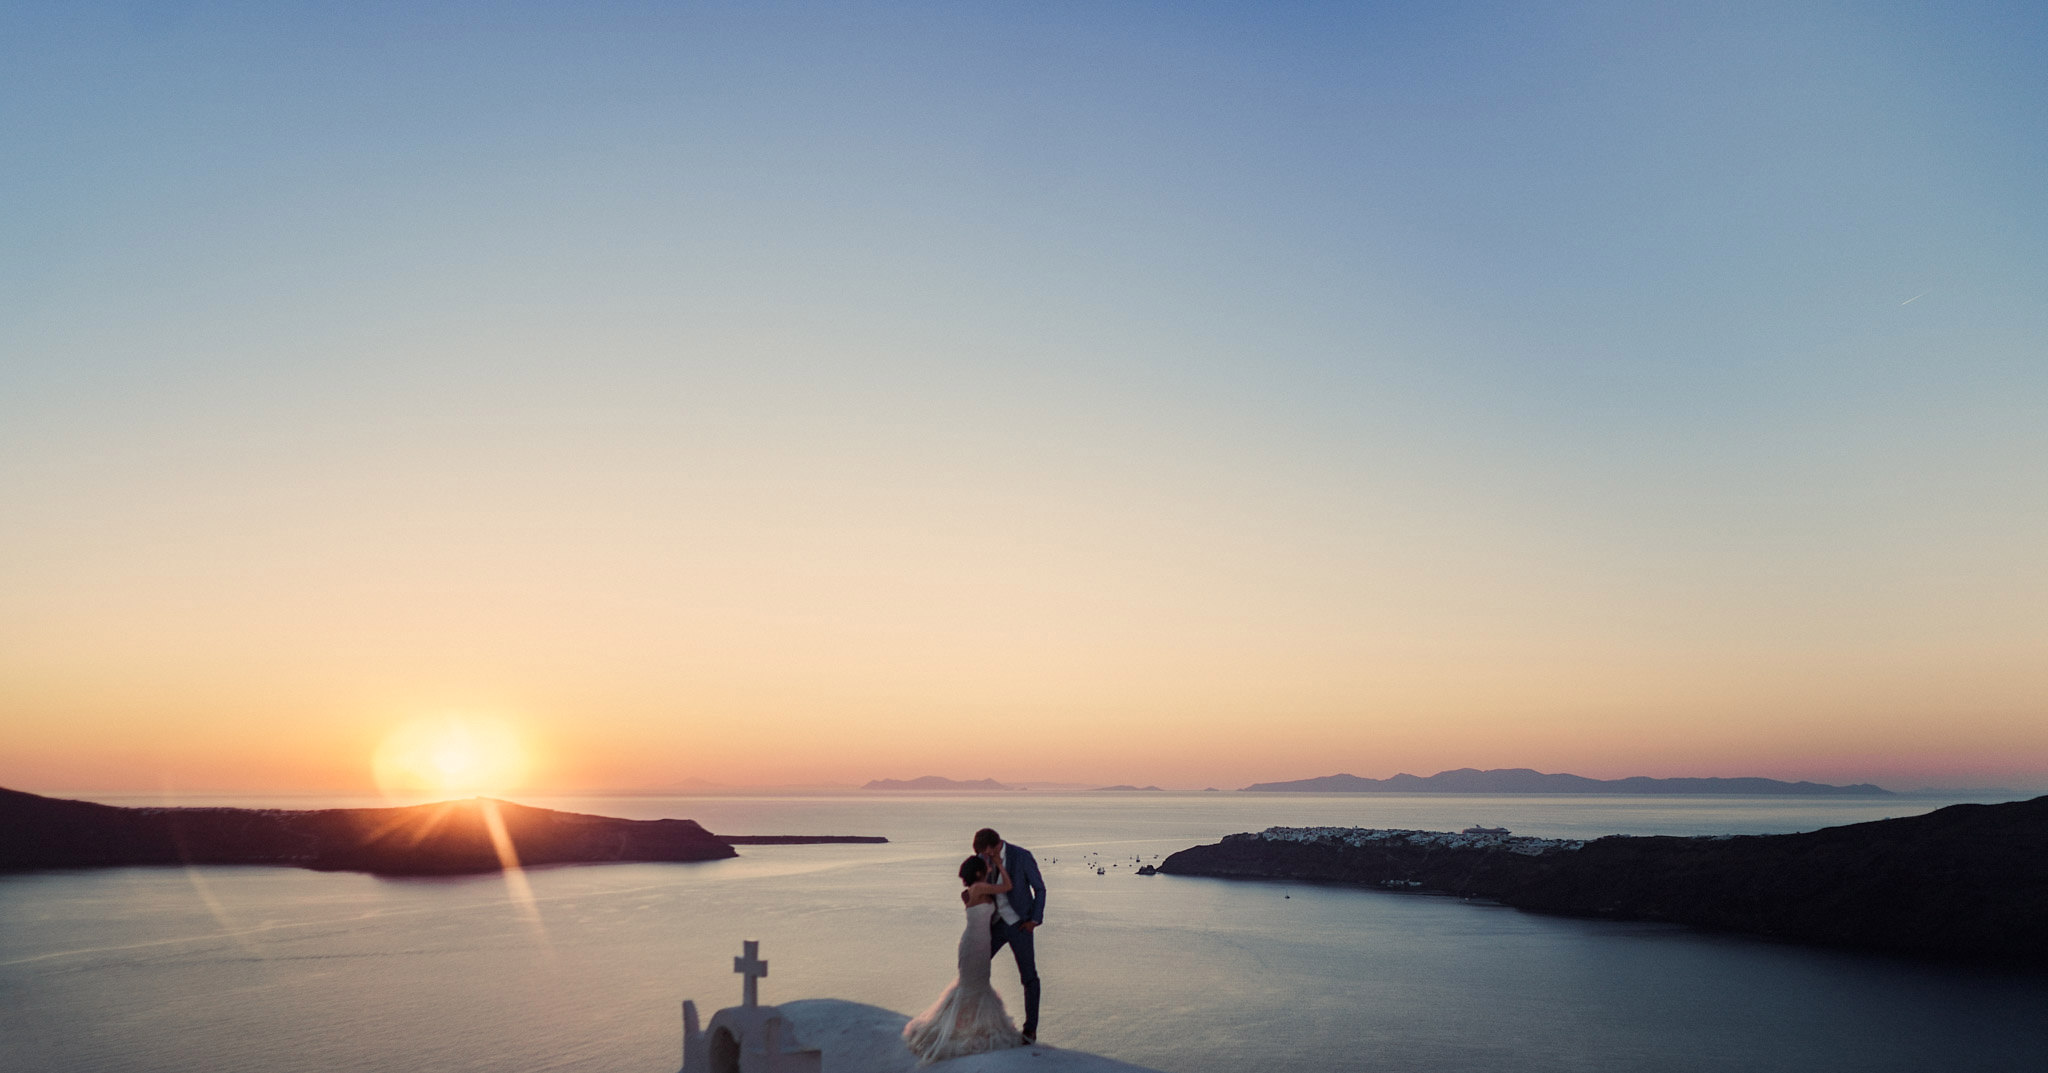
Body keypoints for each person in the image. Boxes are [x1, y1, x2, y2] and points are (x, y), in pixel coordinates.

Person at [901, 854, 1025, 1065]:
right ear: (978, 872)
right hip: (973, 944)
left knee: (979, 984)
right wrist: (998, 864)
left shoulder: (973, 891)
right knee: (970, 986)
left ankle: (970, 1026)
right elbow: (1007, 885)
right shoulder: (977, 889)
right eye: (984, 867)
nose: (988, 868)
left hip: (980, 943)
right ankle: (961, 1029)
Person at [973, 827, 1046, 1042]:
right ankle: (977, 1021)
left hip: (1020, 925)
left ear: (996, 845)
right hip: (994, 924)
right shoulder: (982, 858)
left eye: (987, 852)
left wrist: (1034, 920)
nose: (984, 856)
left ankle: (1030, 1030)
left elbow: (1040, 889)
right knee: (975, 968)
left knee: (1029, 977)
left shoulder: (1021, 856)